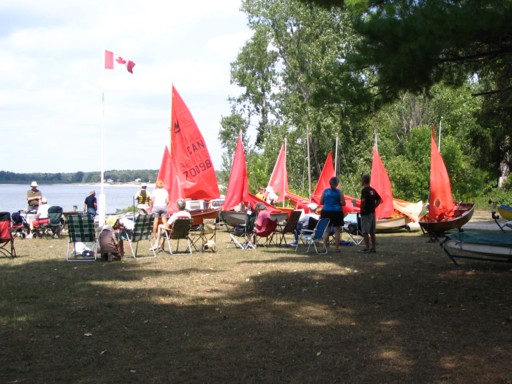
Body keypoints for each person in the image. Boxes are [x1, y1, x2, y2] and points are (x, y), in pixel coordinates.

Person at [320, 176, 346, 253]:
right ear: (337, 184)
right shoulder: (339, 192)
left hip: (326, 211)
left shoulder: (325, 191)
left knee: (326, 230)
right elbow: (343, 203)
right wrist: (338, 202)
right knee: (337, 230)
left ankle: (324, 246)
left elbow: (321, 202)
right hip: (337, 211)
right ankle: (337, 248)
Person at [358, 174, 382, 254]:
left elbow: (363, 201)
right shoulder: (372, 190)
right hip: (372, 212)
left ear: (364, 181)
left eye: (361, 180)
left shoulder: (364, 190)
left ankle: (367, 247)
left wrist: (362, 209)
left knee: (365, 231)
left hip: (366, 213)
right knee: (372, 231)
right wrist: (374, 207)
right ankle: (373, 248)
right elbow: (379, 200)